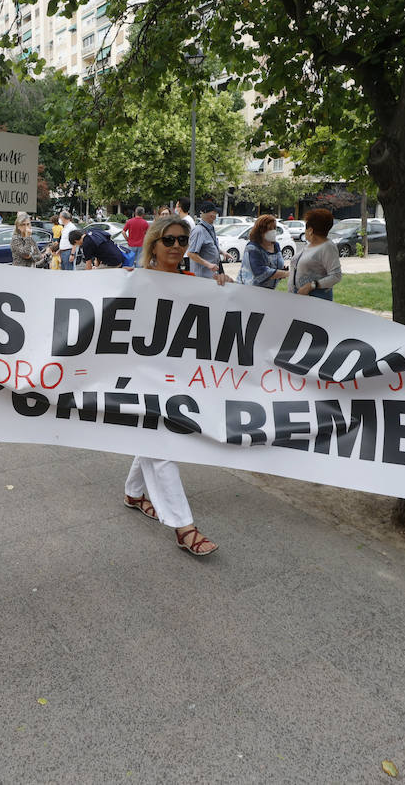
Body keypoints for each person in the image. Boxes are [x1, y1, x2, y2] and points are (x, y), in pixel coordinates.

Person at [124, 215, 227, 556]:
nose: (177, 246)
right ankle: (185, 528)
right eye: (169, 240)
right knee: (163, 444)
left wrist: (224, 292)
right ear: (153, 244)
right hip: (141, 376)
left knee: (153, 437)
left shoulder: (192, 283)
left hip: (177, 378)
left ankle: (134, 493)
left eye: (183, 240)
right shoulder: (135, 280)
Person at [290, 209, 343, 300]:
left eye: (305, 227)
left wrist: (312, 285)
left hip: (315, 299)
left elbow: (336, 276)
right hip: (299, 298)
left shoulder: (328, 247)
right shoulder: (310, 245)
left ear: (310, 230)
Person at [238, 214, 289, 289]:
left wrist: (281, 271)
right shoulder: (252, 248)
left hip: (269, 290)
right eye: (270, 228)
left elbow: (277, 267)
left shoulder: (276, 245)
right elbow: (261, 273)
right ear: (261, 231)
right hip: (250, 290)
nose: (273, 231)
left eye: (274, 228)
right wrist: (286, 274)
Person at [184, 201, 222, 279]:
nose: (215, 215)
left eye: (216, 213)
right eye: (213, 212)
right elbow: (191, 254)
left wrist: (222, 252)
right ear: (205, 213)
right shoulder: (199, 231)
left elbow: (210, 246)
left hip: (212, 276)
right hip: (202, 277)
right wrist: (209, 265)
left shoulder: (211, 228)